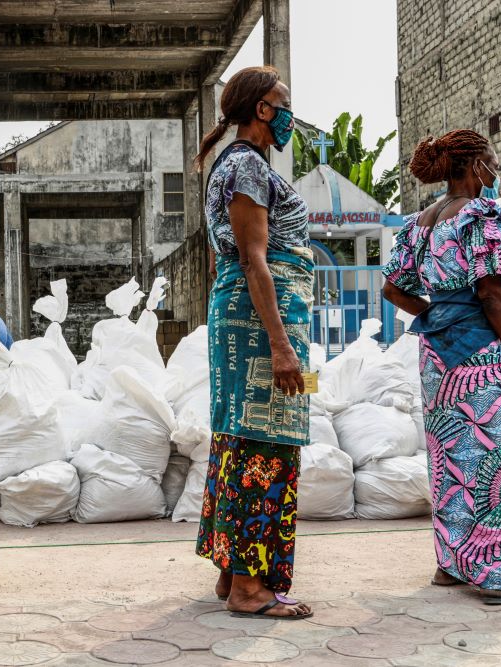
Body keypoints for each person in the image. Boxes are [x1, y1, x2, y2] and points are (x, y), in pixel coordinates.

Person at [382, 129, 501, 604]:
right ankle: (495, 573)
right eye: (493, 159)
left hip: (437, 358)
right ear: (474, 164)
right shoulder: (482, 215)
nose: (497, 168)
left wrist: (438, 314)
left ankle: (451, 564)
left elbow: (393, 289)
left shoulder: (420, 223)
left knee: (451, 460)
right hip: (482, 357)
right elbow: (492, 292)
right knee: (498, 461)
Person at [193, 66, 314, 620]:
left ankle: (231, 574)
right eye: (282, 103)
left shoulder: (238, 166)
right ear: (261, 109)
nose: (289, 112)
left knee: (242, 437)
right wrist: (282, 346)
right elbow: (253, 258)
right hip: (262, 327)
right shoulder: (245, 165)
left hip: (251, 321)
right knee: (268, 442)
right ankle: (248, 586)